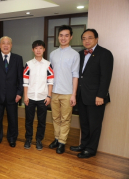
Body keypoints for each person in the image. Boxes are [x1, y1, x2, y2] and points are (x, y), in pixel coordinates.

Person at [70, 29, 113, 158]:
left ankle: (91, 149)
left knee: (94, 124)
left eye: (89, 38)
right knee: (84, 123)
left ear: (96, 39)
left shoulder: (105, 54)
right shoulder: (80, 54)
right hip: (82, 95)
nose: (86, 41)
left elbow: (106, 77)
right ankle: (83, 145)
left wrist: (101, 95)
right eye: (84, 38)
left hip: (96, 97)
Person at [48, 25, 80, 154]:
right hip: (54, 91)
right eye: (61, 35)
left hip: (67, 93)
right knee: (55, 117)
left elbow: (75, 75)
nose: (63, 38)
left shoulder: (75, 54)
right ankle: (56, 138)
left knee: (65, 119)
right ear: (58, 37)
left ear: (71, 37)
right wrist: (48, 93)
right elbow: (49, 74)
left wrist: (74, 95)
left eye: (66, 35)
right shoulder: (53, 54)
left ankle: (62, 142)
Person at [0, 36, 23, 147]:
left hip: (13, 96)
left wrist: (19, 93)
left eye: (8, 43)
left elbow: (20, 79)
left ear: (11, 45)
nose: (6, 45)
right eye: (3, 43)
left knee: (13, 119)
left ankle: (12, 138)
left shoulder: (18, 58)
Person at [23, 40, 54, 150]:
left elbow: (50, 82)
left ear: (44, 50)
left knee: (42, 121)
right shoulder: (28, 64)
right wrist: (25, 96)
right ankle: (28, 139)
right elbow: (25, 82)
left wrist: (49, 96)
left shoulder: (48, 65)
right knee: (29, 120)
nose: (38, 50)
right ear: (33, 50)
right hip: (30, 97)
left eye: (40, 48)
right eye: (36, 48)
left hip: (43, 98)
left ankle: (39, 140)